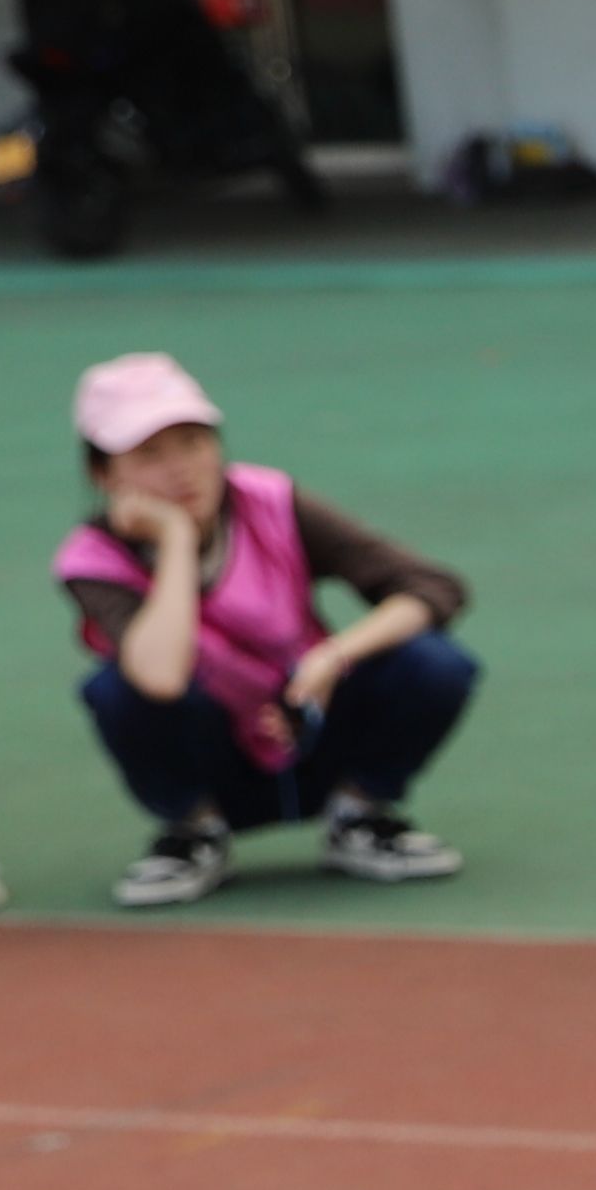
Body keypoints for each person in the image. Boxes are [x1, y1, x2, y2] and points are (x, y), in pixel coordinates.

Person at [51, 349, 476, 909]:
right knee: (116, 688)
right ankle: (195, 830)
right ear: (103, 475)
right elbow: (159, 676)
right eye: (150, 454)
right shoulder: (92, 561)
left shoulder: (271, 501)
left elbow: (431, 586)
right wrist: (175, 539)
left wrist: (334, 656)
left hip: (314, 727)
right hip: (216, 757)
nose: (181, 468)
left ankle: (359, 813)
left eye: (194, 442)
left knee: (432, 662)